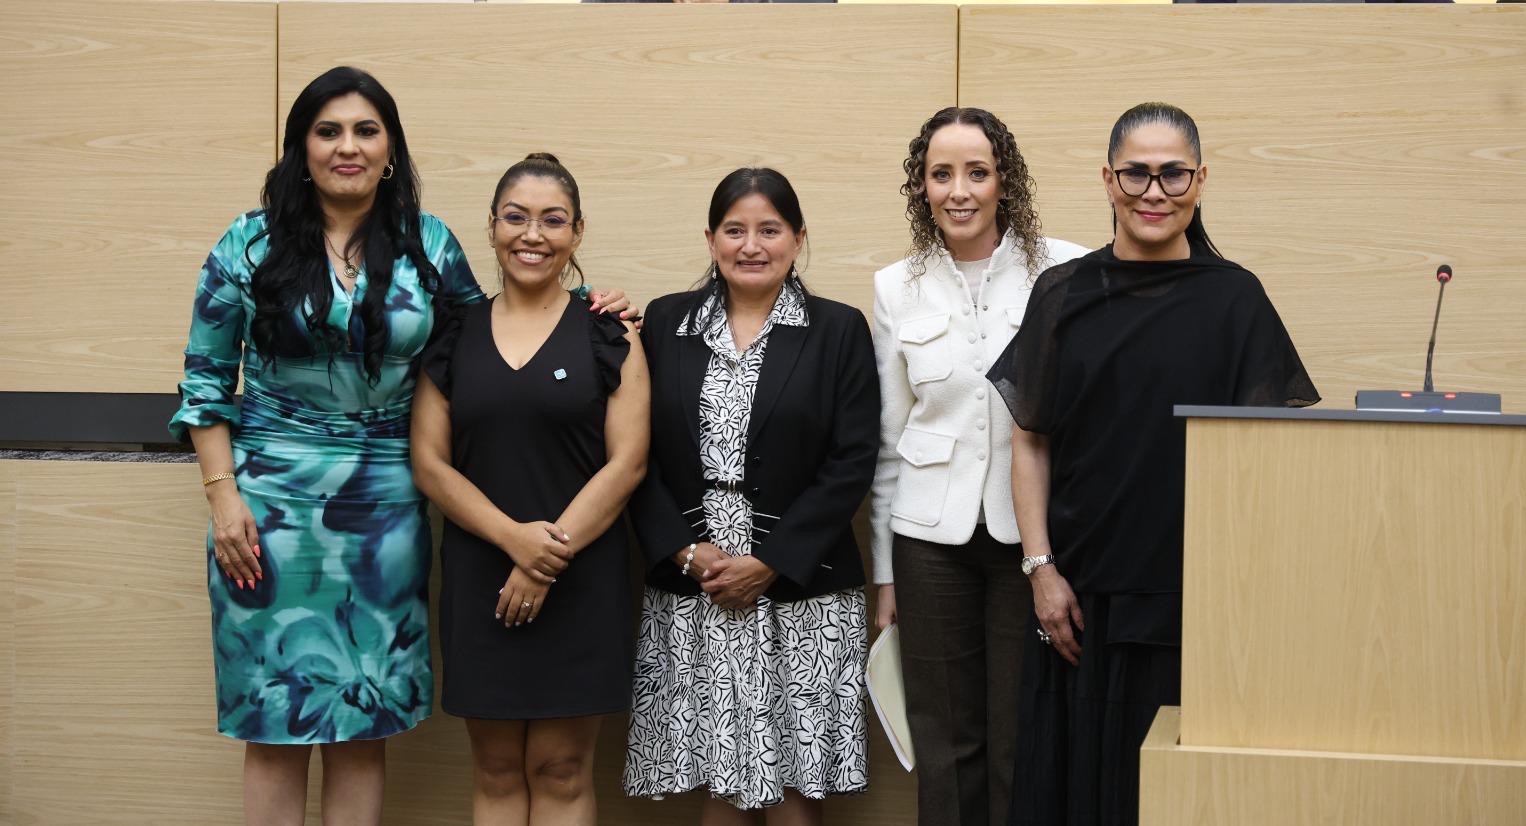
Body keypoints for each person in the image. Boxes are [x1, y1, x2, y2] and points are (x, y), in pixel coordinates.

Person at [169, 68, 633, 825]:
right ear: (301, 148)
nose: (347, 147)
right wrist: (223, 501)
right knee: (273, 725)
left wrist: (588, 308)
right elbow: (205, 381)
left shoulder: (429, 244)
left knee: (364, 720)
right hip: (267, 512)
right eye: (328, 131)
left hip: (387, 508)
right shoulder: (247, 243)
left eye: (366, 131)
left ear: (391, 151)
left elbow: (496, 332)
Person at [987, 102, 1320, 826]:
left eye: (1174, 174)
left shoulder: (1236, 298)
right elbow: (1030, 440)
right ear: (1108, 180)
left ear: (1200, 180)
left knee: (1170, 794)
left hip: (1195, 594)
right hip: (1078, 596)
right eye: (1136, 173)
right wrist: (1040, 569)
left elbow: (1267, 458)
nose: (1154, 192)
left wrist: (1244, 593)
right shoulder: (1063, 293)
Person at [623, 168, 879, 825]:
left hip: (804, 589)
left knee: (793, 785)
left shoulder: (838, 329)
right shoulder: (666, 322)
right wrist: (682, 551)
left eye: (770, 230)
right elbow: (632, 453)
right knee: (720, 783)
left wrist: (771, 561)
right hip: (696, 582)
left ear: (798, 238)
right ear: (711, 239)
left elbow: (853, 460)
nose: (752, 245)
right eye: (734, 230)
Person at [411, 152, 649, 826]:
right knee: (493, 769)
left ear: (577, 232)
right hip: (481, 573)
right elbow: (429, 463)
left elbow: (628, 463)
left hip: (583, 573)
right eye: (516, 218)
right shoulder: (452, 334)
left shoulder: (610, 333)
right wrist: (515, 541)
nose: (532, 235)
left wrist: (546, 555)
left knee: (561, 768)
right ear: (491, 227)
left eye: (553, 220)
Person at [869, 106, 1089, 826]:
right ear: (922, 186)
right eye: (941, 174)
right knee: (944, 738)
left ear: (1004, 182)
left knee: (1019, 735)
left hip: (1031, 540)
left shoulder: (1065, 267)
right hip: (929, 541)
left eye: (977, 172)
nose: (958, 191)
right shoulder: (895, 286)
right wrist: (885, 574)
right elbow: (889, 439)